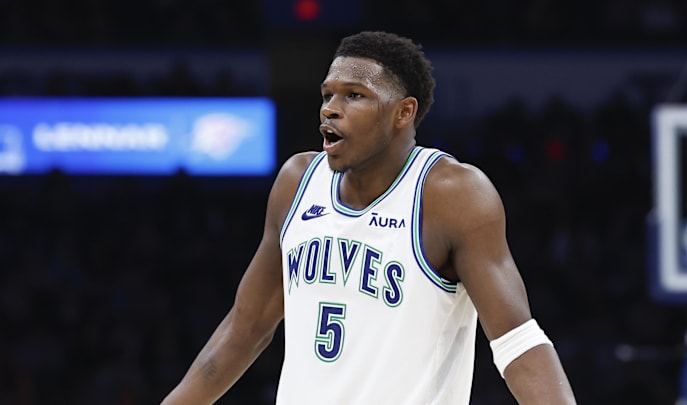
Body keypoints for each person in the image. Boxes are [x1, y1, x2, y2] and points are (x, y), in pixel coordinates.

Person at [161, 31, 576, 404]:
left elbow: (518, 343)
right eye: (327, 95)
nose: (331, 110)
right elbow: (245, 328)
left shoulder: (451, 195)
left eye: (354, 95)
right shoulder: (297, 183)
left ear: (403, 112)